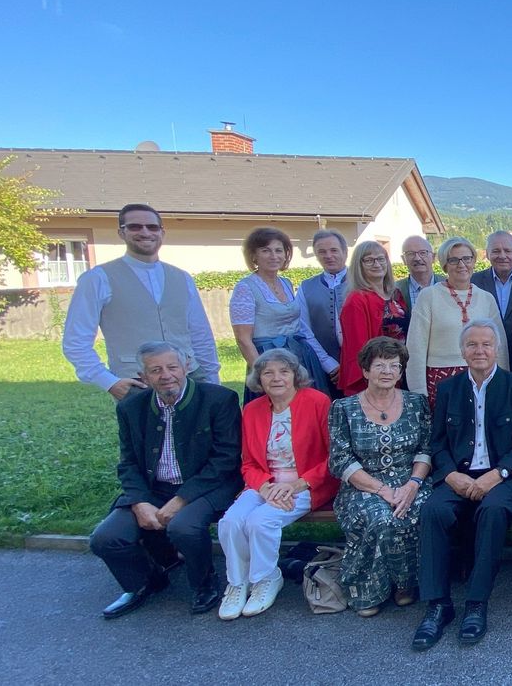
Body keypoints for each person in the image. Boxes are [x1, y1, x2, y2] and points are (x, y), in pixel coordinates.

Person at [411, 320, 512, 650]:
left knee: (494, 509)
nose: (479, 350)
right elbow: (437, 442)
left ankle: (476, 603)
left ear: (496, 348)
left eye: (486, 344)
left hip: (506, 478)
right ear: (462, 351)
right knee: (433, 510)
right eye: (472, 345)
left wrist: (496, 475)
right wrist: (449, 474)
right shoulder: (448, 389)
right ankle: (438, 604)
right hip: (458, 475)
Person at [88, 341, 242, 618]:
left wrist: (180, 499)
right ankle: (146, 581)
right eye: (155, 370)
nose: (166, 375)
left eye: (172, 367)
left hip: (207, 486)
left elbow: (225, 460)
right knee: (105, 538)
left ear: (186, 367)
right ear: (143, 376)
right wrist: (138, 502)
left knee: (183, 526)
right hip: (153, 488)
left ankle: (205, 583)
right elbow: (128, 462)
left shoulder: (219, 399)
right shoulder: (131, 407)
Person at [217, 348, 337, 620]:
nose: (276, 378)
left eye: (284, 371)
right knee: (231, 522)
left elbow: (333, 458)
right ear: (258, 379)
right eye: (268, 373)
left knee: (261, 521)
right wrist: (265, 487)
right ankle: (237, 583)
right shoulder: (252, 410)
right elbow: (248, 463)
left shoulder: (318, 402)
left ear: (296, 375)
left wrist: (296, 485)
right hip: (266, 484)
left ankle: (266, 579)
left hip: (308, 484)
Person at [62, 203, 220, 401]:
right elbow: (76, 341)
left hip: (190, 378)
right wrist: (108, 382)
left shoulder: (182, 277)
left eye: (152, 227)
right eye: (135, 227)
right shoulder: (98, 278)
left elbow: (200, 333)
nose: (145, 232)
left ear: (162, 232)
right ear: (121, 232)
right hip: (136, 382)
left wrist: (212, 378)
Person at [328, 337, 433, 617]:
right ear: (365, 370)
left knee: (419, 511)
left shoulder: (416, 404)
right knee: (382, 518)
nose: (387, 371)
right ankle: (368, 590)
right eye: (379, 365)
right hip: (363, 485)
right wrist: (382, 490)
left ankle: (406, 584)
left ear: (401, 372)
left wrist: (413, 484)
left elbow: (426, 449)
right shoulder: (344, 408)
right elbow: (340, 461)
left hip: (411, 480)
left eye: (394, 366)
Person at [229, 227, 337, 404]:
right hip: (268, 360)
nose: (274, 256)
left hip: (300, 356)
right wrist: (261, 374)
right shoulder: (245, 288)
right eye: (266, 250)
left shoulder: (286, 283)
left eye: (279, 250)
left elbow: (299, 323)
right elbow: (243, 339)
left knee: (308, 410)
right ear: (253, 255)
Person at [406, 237, 507, 402]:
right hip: (441, 379)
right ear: (445, 265)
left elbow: (500, 346)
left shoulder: (486, 298)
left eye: (467, 258)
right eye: (454, 260)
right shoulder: (429, 296)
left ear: (474, 261)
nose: (461, 265)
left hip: (482, 377)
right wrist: (419, 392)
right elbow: (415, 348)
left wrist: (503, 383)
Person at [337, 241, 410, 394]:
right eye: (369, 260)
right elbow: (359, 349)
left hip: (399, 371)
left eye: (380, 259)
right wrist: (377, 378)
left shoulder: (395, 294)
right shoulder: (356, 300)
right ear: (359, 265)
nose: (376, 264)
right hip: (376, 379)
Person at [471, 230, 512, 375]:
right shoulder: (473, 282)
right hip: (484, 360)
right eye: (496, 251)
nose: (502, 256)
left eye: (507, 251)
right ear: (487, 254)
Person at [296, 229, 349, 395]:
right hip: (321, 366)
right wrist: (329, 364)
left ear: (345, 252)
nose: (328, 256)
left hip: (362, 365)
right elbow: (303, 329)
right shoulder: (306, 287)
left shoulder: (363, 281)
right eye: (322, 252)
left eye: (334, 250)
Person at [395, 235, 446, 308]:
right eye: (411, 253)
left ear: (433, 257)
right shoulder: (394, 290)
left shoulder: (449, 286)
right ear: (403, 259)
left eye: (423, 253)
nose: (417, 258)